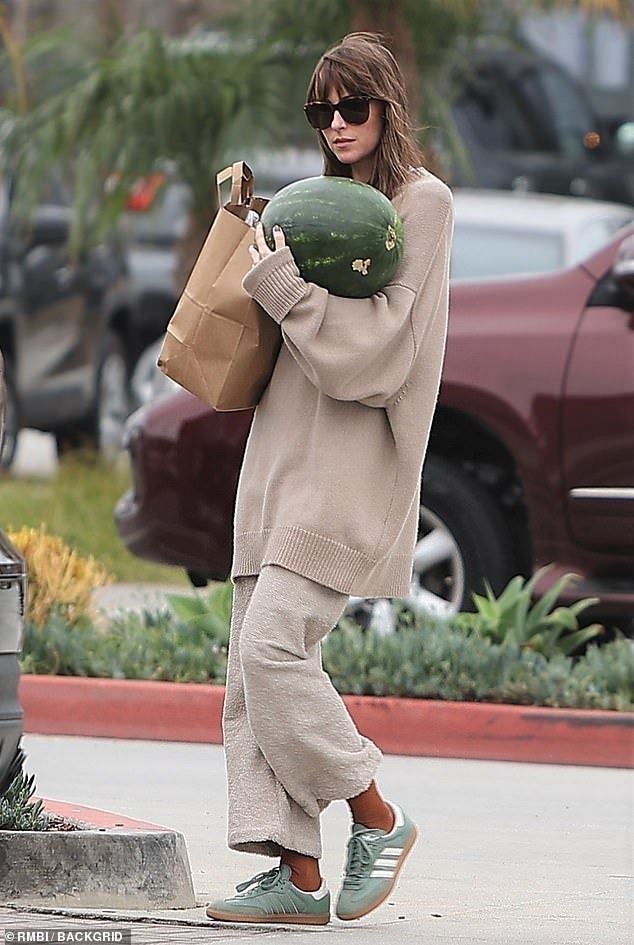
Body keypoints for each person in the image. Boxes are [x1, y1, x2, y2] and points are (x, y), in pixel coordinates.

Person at [205, 31, 454, 926]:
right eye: (324, 110)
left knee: (273, 650)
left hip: (350, 471)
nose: (338, 123)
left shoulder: (421, 204)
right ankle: (297, 873)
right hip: (278, 461)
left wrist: (282, 285)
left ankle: (377, 814)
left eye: (354, 106)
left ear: (388, 106)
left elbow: (380, 358)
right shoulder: (323, 205)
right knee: (248, 671)